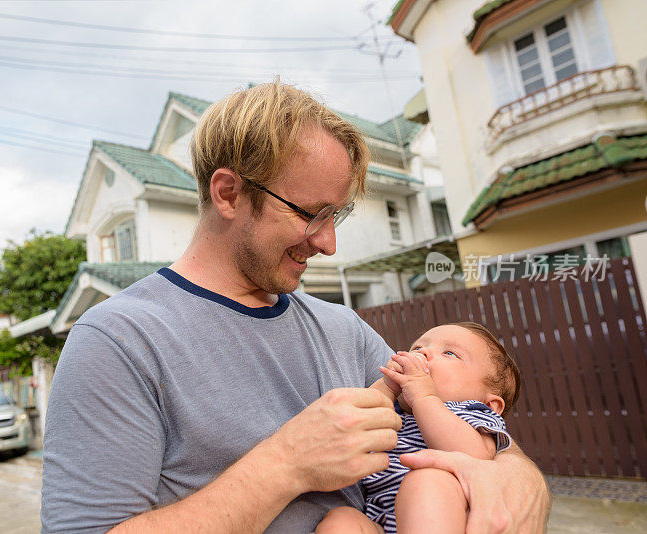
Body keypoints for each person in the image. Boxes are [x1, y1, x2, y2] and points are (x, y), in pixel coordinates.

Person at [41, 81, 550, 533]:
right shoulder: (119, 340)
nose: (328, 243)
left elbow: (470, 417)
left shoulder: (342, 329)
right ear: (228, 193)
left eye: (337, 216)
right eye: (312, 214)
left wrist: (522, 480)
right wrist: (285, 465)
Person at [316, 322, 521, 534]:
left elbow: (474, 457)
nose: (423, 352)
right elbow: (355, 422)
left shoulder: (472, 412)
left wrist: (425, 397)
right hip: (382, 522)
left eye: (449, 353)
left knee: (426, 480)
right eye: (417, 348)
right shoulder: (395, 412)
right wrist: (386, 385)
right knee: (341, 519)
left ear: (490, 405)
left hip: (449, 520)